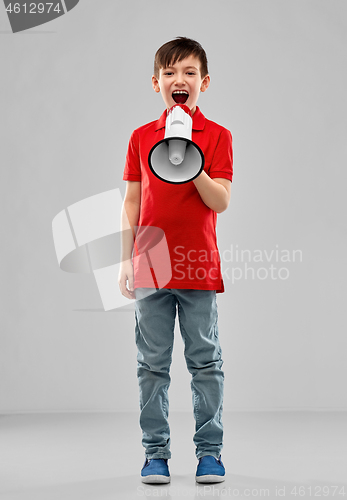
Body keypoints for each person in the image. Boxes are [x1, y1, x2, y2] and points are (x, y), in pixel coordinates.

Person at [118, 37, 233, 484]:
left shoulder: (219, 136)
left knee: (206, 362)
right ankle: (155, 455)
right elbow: (131, 202)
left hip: (197, 261)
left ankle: (210, 453)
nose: (178, 80)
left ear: (204, 82)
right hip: (151, 261)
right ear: (155, 83)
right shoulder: (141, 137)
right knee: (152, 365)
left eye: (188, 72)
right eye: (169, 73)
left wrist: (192, 160)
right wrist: (126, 259)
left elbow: (220, 201)